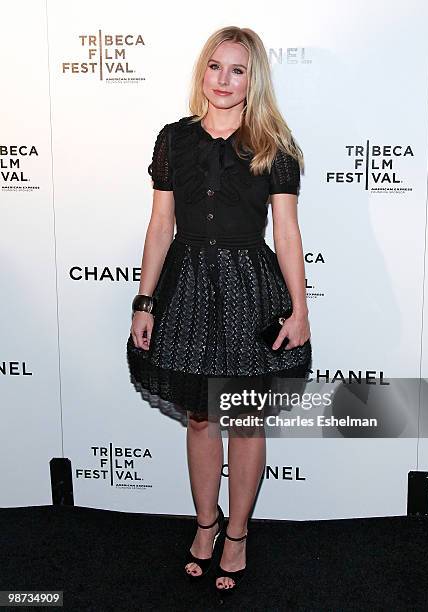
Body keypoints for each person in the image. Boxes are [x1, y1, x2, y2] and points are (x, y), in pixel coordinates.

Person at [126, 26, 312, 596]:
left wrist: (300, 310)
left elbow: (286, 232)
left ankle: (237, 533)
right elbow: (161, 226)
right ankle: (204, 526)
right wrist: (144, 299)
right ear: (201, 72)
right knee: (202, 416)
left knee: (245, 419)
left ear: (253, 79)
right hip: (185, 288)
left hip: (247, 291)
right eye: (215, 66)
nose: (224, 80)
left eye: (238, 70)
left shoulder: (273, 148)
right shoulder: (173, 140)